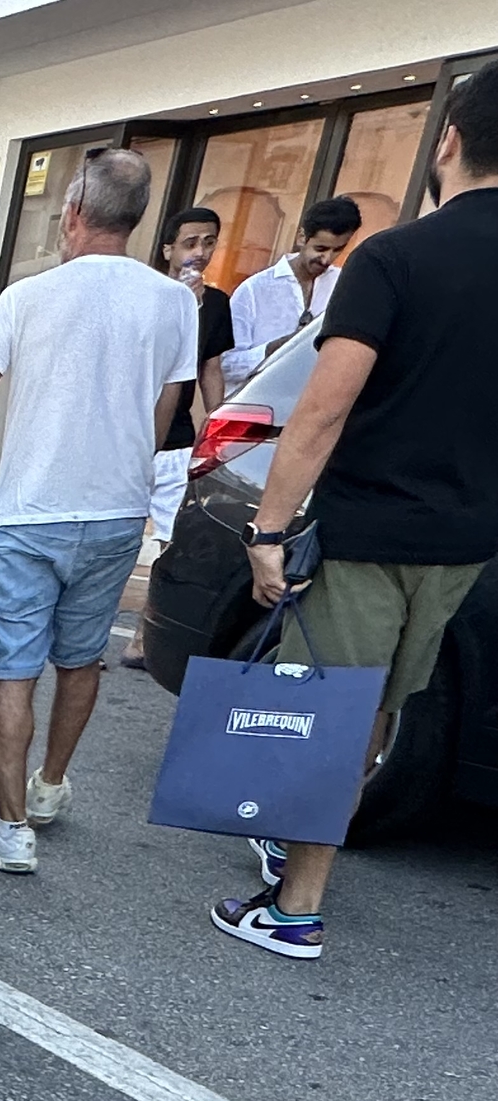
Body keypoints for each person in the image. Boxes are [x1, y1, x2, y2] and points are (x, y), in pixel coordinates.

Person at [214, 73, 498, 960]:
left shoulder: (393, 258)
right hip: (464, 544)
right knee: (375, 708)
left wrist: (267, 530)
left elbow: (323, 410)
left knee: (327, 709)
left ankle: (295, 907)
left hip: (370, 529)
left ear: (447, 140)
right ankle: (300, 851)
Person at [0, 148, 197, 877]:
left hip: (30, 510)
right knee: (82, 657)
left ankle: (11, 829)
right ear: (138, 219)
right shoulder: (175, 301)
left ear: (74, 214)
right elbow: (164, 413)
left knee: (13, 671)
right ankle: (50, 788)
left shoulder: (28, 297)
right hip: (116, 510)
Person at [121, 203, 238, 665]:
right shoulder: (143, 293)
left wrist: (217, 426)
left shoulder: (217, 303)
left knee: (170, 542)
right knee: (116, 535)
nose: (200, 251)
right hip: (128, 433)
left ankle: (141, 636)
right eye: (190, 242)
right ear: (168, 248)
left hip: (177, 438)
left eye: (209, 242)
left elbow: (211, 367)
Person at [223, 196, 360, 386]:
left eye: (338, 250)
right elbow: (225, 366)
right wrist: (274, 349)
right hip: (261, 404)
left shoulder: (345, 284)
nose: (326, 259)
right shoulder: (253, 290)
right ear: (301, 237)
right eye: (320, 248)